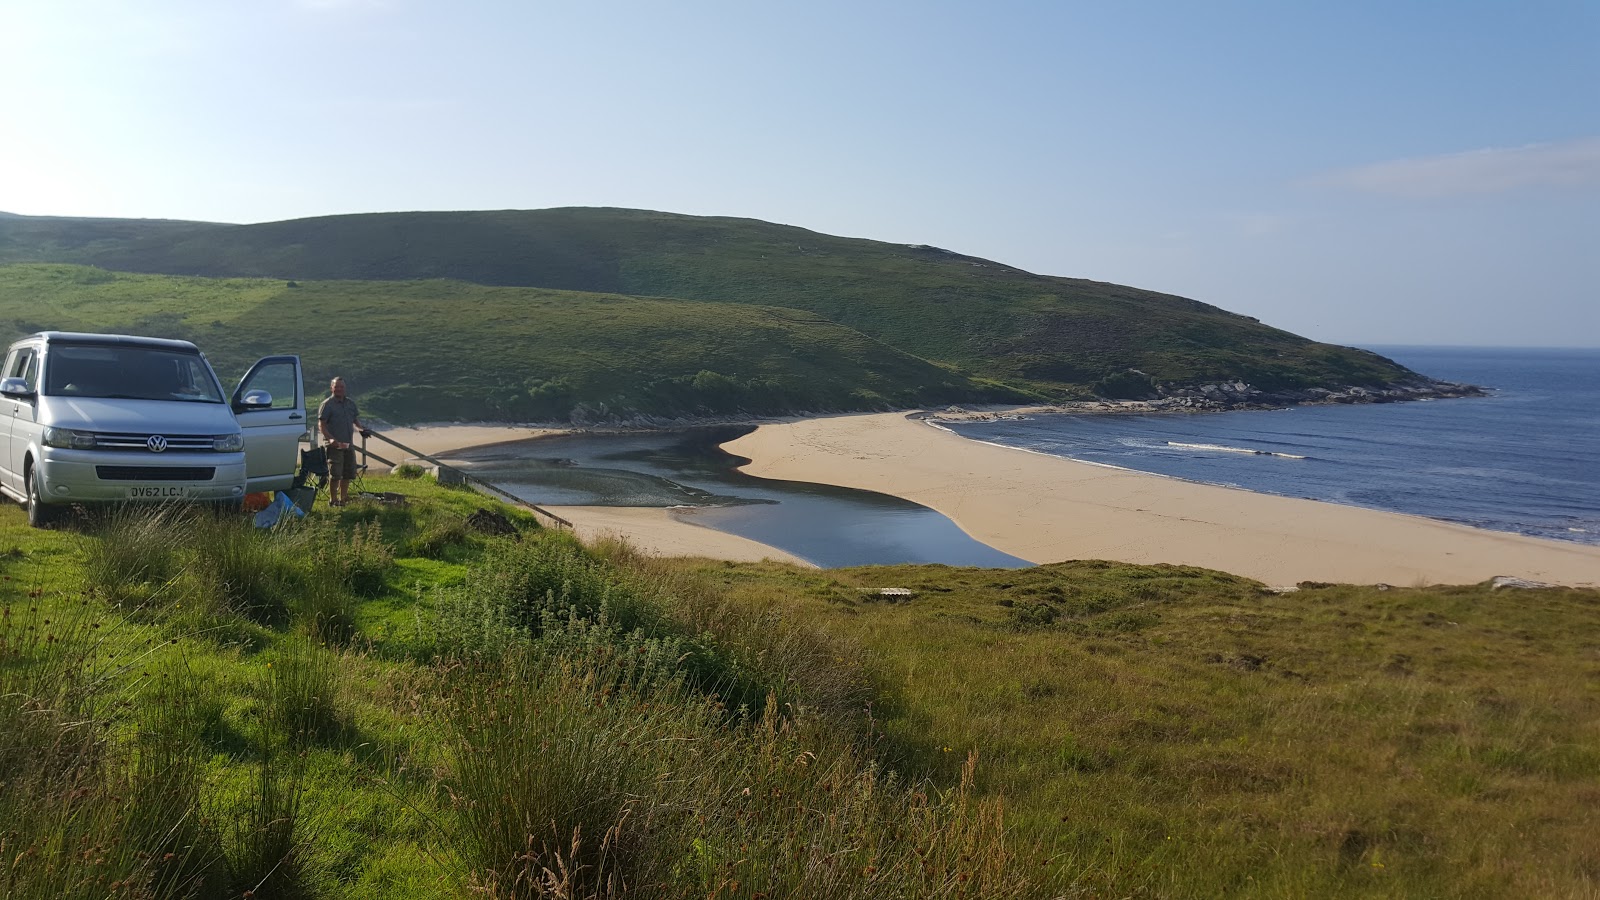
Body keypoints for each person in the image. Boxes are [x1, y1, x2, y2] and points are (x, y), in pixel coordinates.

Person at [317, 377, 368, 507]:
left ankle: (343, 499)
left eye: (341, 387)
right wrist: (331, 439)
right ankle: (333, 500)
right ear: (331, 388)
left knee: (347, 473)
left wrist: (361, 429)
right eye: (336, 387)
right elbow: (321, 425)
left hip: (348, 444)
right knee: (335, 474)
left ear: (345, 389)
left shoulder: (350, 403)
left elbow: (355, 420)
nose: (339, 389)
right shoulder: (327, 404)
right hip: (334, 446)